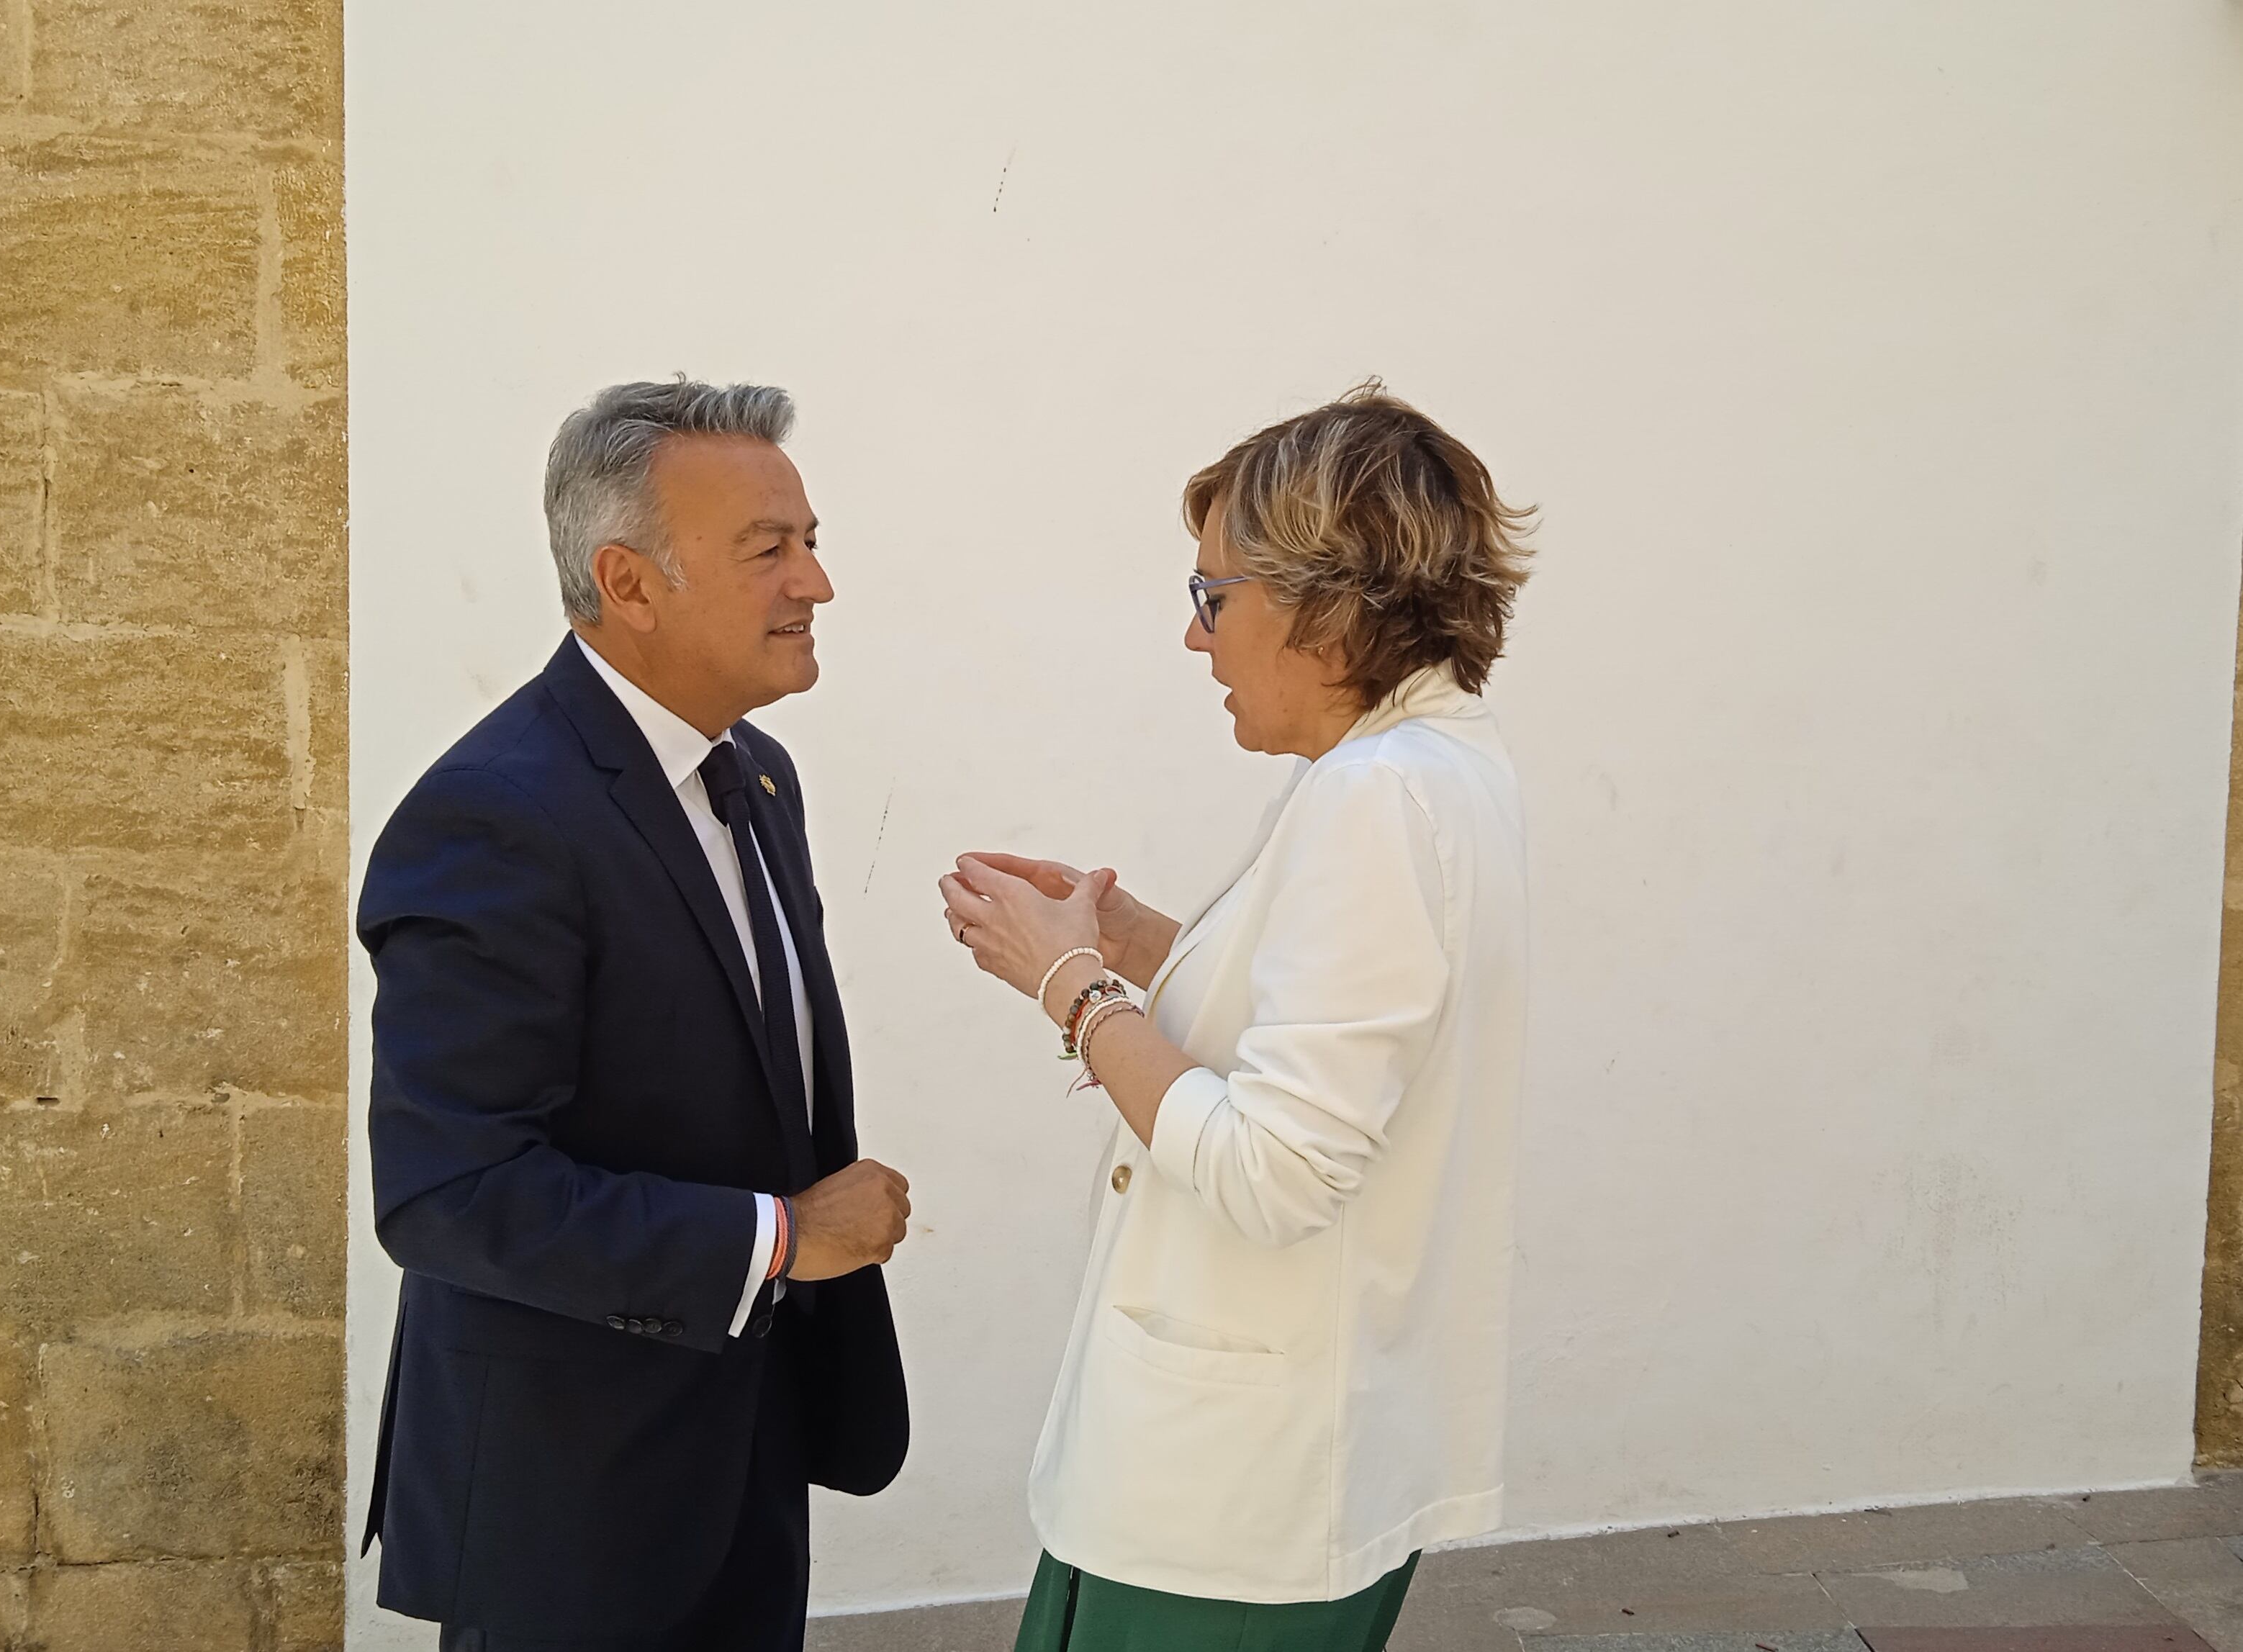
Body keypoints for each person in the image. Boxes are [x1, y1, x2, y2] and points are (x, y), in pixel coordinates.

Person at [942, 384, 1534, 1652]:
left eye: (1214, 598)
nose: (1197, 639)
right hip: (1268, 1472)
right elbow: (1330, 1015)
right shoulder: (1434, 770)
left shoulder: (1376, 798)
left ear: (1325, 604)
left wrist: (1073, 989)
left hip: (1236, 1507)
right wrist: (1137, 943)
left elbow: (1276, 1169)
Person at [360, 379, 913, 1651]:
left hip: (748, 1466)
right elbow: (448, 1194)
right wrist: (778, 1238)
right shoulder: (497, 816)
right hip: (574, 1514)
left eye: (810, 542)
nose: (813, 584)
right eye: (768, 551)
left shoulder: (755, 774)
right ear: (630, 581)